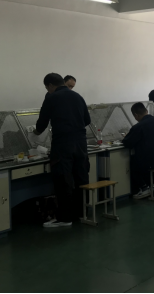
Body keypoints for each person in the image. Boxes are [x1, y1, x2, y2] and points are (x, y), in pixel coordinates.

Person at [31, 73, 91, 228]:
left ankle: (65, 218)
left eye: (47, 88)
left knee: (63, 180)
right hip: (81, 143)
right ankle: (82, 212)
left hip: (63, 144)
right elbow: (87, 120)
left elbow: (42, 123)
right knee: (81, 177)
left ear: (50, 85)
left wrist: (34, 133)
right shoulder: (78, 96)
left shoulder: (51, 98)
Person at [122, 102, 154, 199]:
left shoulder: (139, 126)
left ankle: (144, 187)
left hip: (153, 162)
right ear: (146, 111)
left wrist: (126, 137)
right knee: (148, 157)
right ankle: (151, 184)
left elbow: (127, 143)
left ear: (136, 115)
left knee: (133, 161)